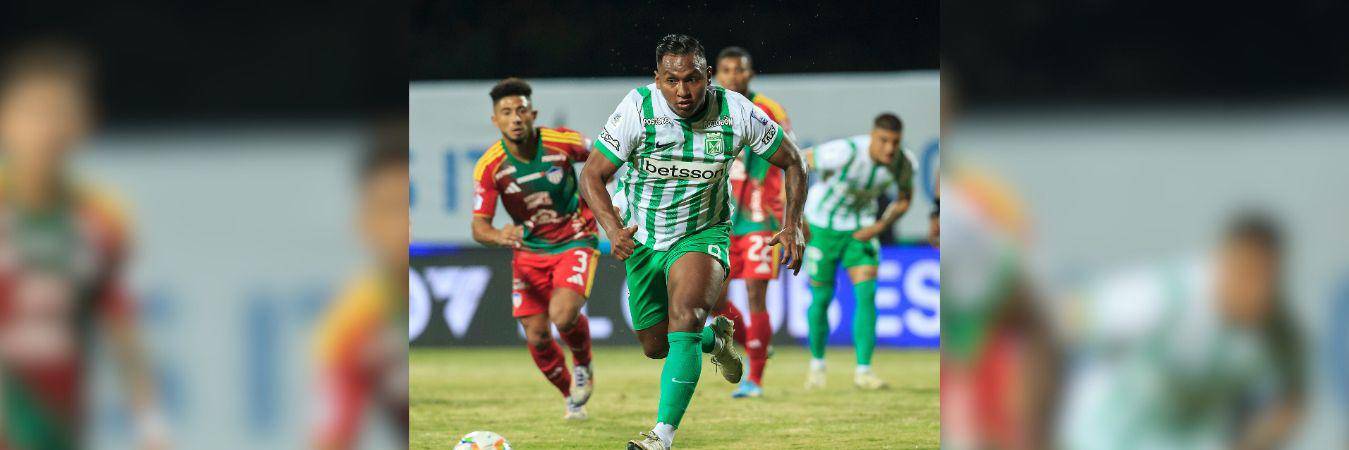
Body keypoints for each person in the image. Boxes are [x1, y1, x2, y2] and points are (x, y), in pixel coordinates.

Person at [578, 34, 808, 450]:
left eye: (692, 79)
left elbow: (794, 160)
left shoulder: (736, 111)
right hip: (643, 236)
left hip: (704, 231)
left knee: (686, 313)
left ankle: (661, 436)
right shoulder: (637, 108)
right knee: (655, 345)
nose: (682, 91)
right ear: (657, 79)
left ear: (708, 77)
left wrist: (793, 224)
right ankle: (713, 341)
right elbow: (591, 175)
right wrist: (612, 229)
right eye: (671, 80)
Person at [0, 40, 167, 450]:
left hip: (59, 428)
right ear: (5, 120)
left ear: (85, 124)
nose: (46, 129)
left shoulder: (100, 222)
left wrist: (151, 424)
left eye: (59, 113)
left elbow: (120, 328)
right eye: (33, 113)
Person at [469, 78, 597, 420]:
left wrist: (598, 193)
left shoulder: (562, 142)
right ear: (495, 120)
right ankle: (571, 395)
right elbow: (479, 227)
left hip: (575, 238)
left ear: (533, 113)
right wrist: (500, 235)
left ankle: (584, 362)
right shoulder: (490, 166)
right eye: (506, 112)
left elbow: (606, 158)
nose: (515, 118)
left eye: (521, 110)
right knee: (538, 337)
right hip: (528, 253)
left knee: (562, 314)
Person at [801, 113, 916, 390]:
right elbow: (797, 161)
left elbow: (904, 199)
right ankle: (817, 365)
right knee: (822, 298)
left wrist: (879, 226)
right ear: (872, 136)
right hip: (821, 227)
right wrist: (795, 218)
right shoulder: (846, 151)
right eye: (884, 140)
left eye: (895, 142)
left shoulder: (903, 163)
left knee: (867, 295)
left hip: (860, 230)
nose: (889, 148)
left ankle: (864, 371)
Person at [312, 125, 410, 449]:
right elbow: (334, 436)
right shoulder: (351, 323)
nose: (401, 227)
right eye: (387, 209)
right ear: (363, 222)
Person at [712, 46, 795, 398]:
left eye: (739, 70)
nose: (733, 76)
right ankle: (754, 343)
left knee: (754, 295)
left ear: (750, 74)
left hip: (761, 217)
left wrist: (793, 218)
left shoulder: (770, 110)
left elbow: (792, 162)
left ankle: (755, 379)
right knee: (714, 302)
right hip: (719, 219)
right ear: (717, 74)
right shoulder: (709, 106)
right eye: (726, 70)